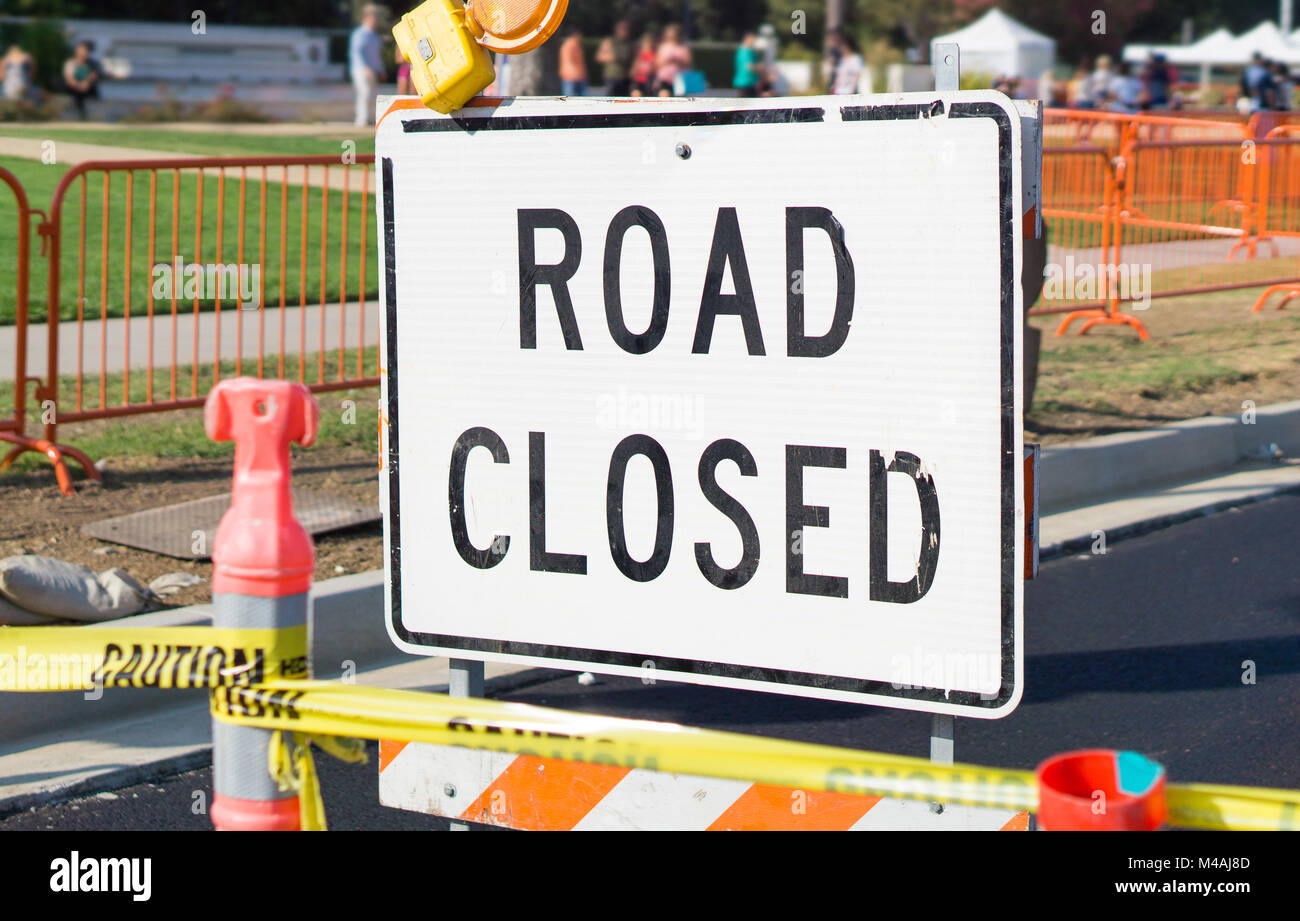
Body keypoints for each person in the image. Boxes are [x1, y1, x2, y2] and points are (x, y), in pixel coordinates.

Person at [349, 4, 386, 127]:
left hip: (372, 70)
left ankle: (369, 118)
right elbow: (356, 52)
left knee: (371, 94)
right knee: (364, 92)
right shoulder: (359, 34)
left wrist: (380, 70)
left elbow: (376, 56)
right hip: (360, 70)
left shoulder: (375, 37)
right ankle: (361, 120)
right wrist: (365, 67)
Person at [62, 41, 101, 119]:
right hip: (74, 88)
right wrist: (79, 85)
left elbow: (93, 76)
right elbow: (69, 78)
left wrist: (86, 82)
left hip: (88, 87)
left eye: (86, 51)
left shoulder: (92, 64)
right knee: (77, 93)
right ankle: (80, 114)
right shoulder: (71, 63)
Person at [596, 20, 635, 96]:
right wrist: (611, 57)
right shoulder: (609, 42)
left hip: (625, 78)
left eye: (626, 29)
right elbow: (599, 57)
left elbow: (634, 60)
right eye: (622, 29)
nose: (624, 31)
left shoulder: (630, 44)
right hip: (612, 78)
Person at [654, 24, 691, 97]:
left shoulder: (683, 47)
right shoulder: (663, 47)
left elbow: (688, 63)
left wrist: (678, 60)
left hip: (679, 79)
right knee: (664, 96)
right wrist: (668, 60)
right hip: (665, 78)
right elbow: (658, 64)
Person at [733, 31, 763, 98]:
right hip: (744, 84)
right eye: (753, 39)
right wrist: (760, 68)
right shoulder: (744, 51)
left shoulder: (750, 51)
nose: (754, 41)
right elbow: (749, 66)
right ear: (747, 39)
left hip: (751, 84)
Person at [559, 28, 587, 97]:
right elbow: (571, 60)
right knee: (571, 97)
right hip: (573, 75)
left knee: (570, 96)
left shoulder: (569, 44)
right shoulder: (572, 45)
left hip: (571, 74)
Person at [630, 33, 657, 97]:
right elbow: (634, 68)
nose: (648, 45)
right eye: (646, 43)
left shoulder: (654, 54)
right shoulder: (640, 54)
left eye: (650, 42)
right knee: (636, 93)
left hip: (650, 80)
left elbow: (656, 67)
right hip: (639, 80)